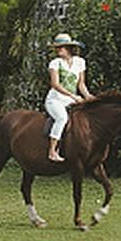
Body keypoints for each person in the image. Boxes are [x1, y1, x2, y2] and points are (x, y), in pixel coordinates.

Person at [44, 32, 92, 162]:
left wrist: (88, 97)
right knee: (62, 118)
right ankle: (52, 151)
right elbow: (55, 84)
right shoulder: (55, 63)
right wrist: (74, 96)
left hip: (72, 99)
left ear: (69, 48)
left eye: (61, 47)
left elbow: (81, 84)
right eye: (57, 47)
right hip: (55, 100)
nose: (58, 50)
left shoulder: (80, 62)